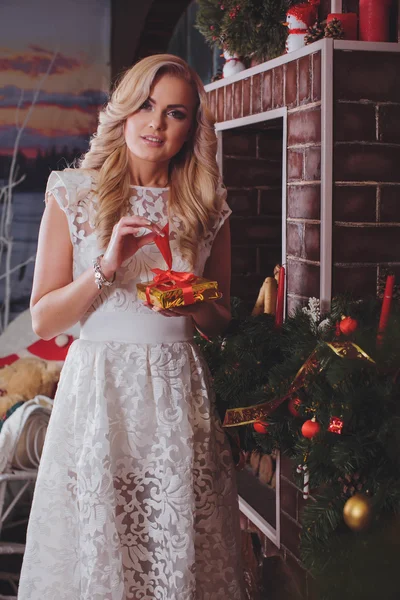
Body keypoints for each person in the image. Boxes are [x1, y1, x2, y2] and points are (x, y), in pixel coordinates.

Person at [17, 54, 245, 600]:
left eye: (175, 113)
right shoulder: (74, 193)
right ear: (124, 108)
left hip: (175, 397)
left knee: (170, 549)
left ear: (192, 127)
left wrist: (191, 304)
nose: (156, 124)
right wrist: (106, 267)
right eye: (146, 105)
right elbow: (44, 317)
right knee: (99, 546)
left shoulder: (206, 207)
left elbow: (221, 322)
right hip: (99, 394)